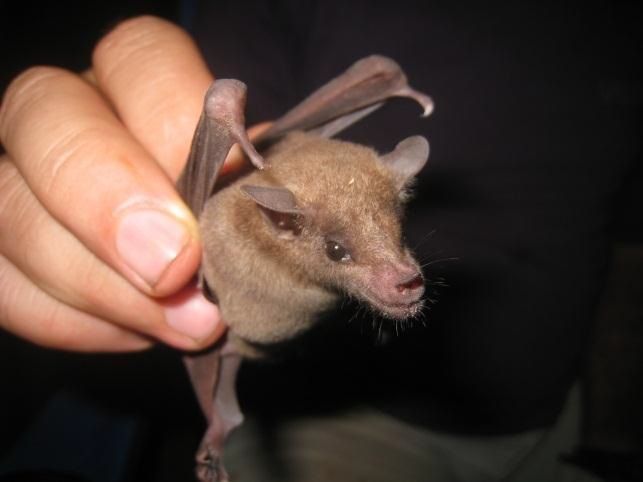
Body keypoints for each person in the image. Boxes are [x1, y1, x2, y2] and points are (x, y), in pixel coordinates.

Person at [0, 2, 640, 481]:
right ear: (282, 224)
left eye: (393, 233)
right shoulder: (260, 200)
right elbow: (185, 108)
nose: (402, 269)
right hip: (343, 434)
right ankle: (223, 420)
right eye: (340, 250)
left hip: (554, 413)